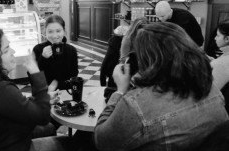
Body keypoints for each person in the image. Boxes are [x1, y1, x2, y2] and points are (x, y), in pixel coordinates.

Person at [94, 22, 229, 151]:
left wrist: (120, 91)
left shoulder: (136, 104)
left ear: (149, 59)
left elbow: (102, 141)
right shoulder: (212, 88)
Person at [33, 15, 78, 90]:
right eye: (50, 31)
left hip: (65, 91)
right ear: (45, 32)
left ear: (64, 31)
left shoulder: (71, 50)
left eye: (58, 31)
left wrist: (57, 85)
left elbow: (74, 75)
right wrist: (43, 58)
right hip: (45, 93)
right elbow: (35, 77)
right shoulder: (38, 49)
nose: (54, 36)